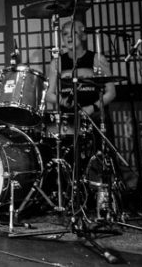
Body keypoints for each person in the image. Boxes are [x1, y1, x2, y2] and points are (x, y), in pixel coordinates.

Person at [45, 20, 117, 170]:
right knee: (71, 163)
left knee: (104, 161)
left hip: (95, 117)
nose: (68, 37)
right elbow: (49, 95)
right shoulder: (57, 62)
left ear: (83, 36)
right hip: (70, 120)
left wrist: (92, 108)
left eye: (73, 32)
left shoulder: (97, 58)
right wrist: (62, 101)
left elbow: (111, 92)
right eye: (64, 34)